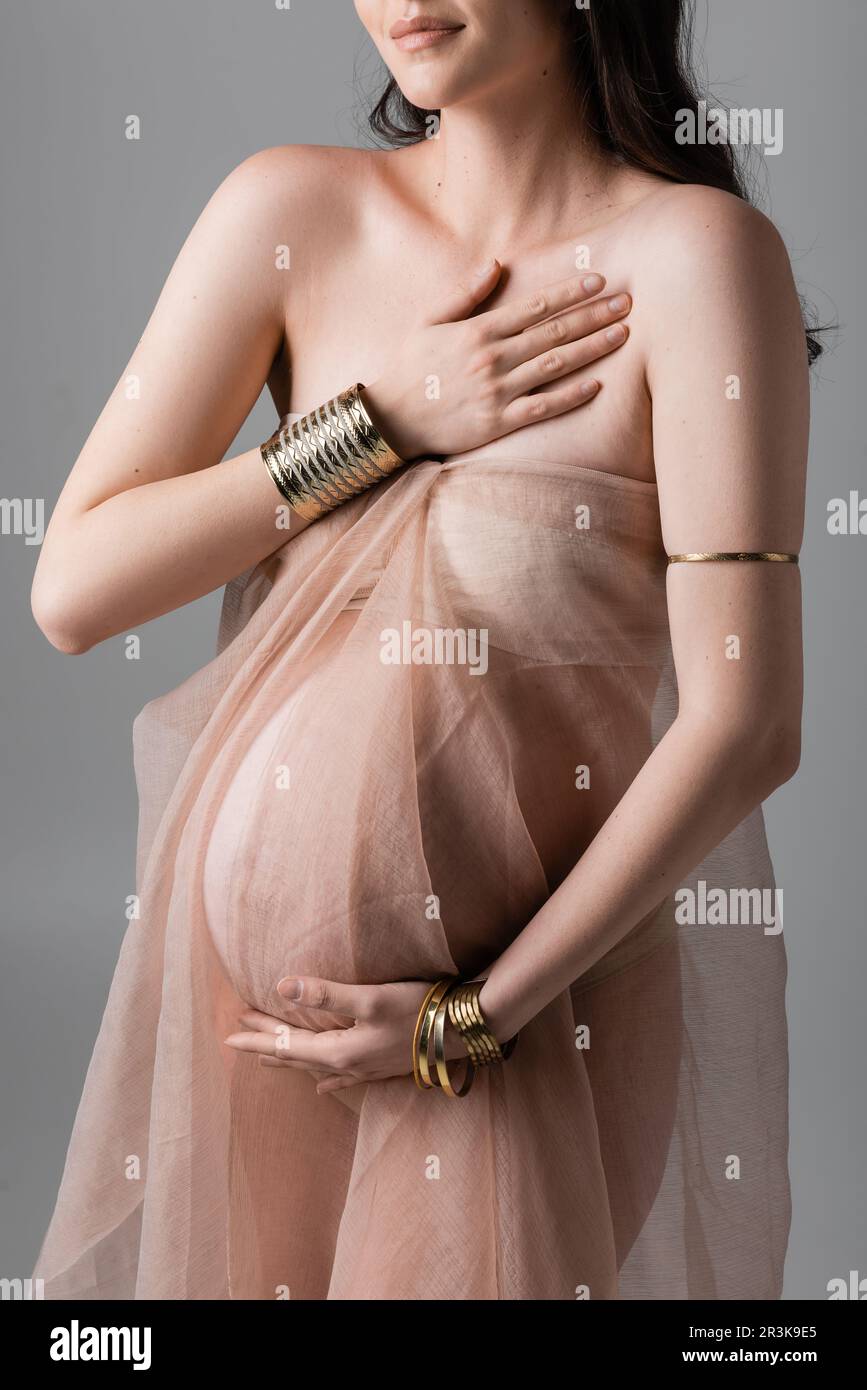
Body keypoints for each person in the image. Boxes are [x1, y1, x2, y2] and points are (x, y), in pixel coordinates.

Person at [31, 0, 810, 1299]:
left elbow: (749, 723)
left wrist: (470, 1019)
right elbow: (74, 590)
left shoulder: (699, 259)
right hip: (256, 1007)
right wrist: (379, 421)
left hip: (526, 1015)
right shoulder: (291, 212)